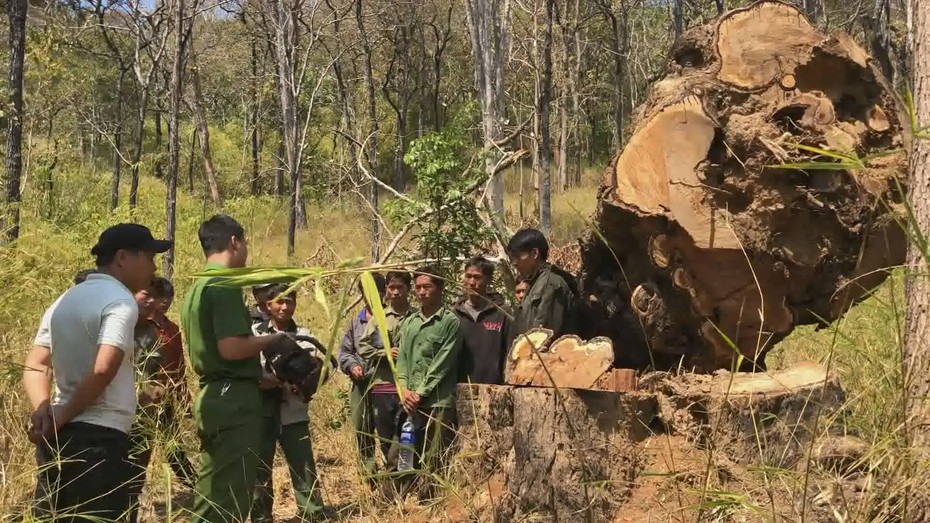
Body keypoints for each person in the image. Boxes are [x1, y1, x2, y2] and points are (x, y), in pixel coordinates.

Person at [23, 223, 169, 522]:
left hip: (57, 438)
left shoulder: (64, 300)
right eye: (149, 256)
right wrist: (62, 412)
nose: (154, 267)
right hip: (99, 440)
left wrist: (43, 410)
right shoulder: (120, 301)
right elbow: (104, 368)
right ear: (122, 258)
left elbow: (36, 364)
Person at [181, 214, 301, 523]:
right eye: (245, 242)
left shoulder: (198, 285)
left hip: (216, 394)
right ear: (235, 241)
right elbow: (231, 347)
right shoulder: (224, 284)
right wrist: (276, 338)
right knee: (231, 494)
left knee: (212, 488)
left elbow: (213, 349)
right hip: (233, 399)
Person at [250, 284, 325, 523]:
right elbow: (248, 369)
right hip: (260, 412)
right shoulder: (254, 333)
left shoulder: (305, 334)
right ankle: (261, 516)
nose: (284, 307)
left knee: (302, 463)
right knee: (259, 467)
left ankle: (312, 513)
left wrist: (290, 381)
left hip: (293, 411)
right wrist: (265, 379)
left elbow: (309, 372)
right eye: (279, 302)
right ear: (267, 305)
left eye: (289, 301)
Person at [396, 266, 463, 484]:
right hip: (409, 400)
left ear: (440, 288)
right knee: (402, 452)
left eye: (427, 287)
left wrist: (420, 393)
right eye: (418, 288)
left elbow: (443, 363)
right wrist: (404, 390)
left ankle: (430, 503)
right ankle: (396, 498)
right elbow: (403, 359)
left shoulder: (450, 322)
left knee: (434, 456)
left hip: (437, 401)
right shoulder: (409, 322)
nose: (422, 292)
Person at [359, 270, 415, 473]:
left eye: (400, 287)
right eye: (392, 287)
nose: (396, 292)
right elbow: (363, 347)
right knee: (385, 435)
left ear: (409, 289)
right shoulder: (380, 318)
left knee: (406, 435)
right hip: (383, 386)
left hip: (409, 387)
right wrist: (386, 352)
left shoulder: (417, 317)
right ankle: (390, 473)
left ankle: (401, 476)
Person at [147, 277, 196, 489]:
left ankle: (193, 483)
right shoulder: (141, 326)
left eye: (169, 297)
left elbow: (179, 365)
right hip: (143, 398)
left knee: (172, 443)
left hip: (165, 396)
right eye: (161, 297)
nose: (165, 301)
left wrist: (184, 399)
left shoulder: (172, 329)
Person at [337, 273, 386, 479]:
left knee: (386, 429)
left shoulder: (391, 318)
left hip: (385, 385)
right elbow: (344, 352)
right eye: (366, 293)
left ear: (383, 293)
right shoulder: (356, 322)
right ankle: (368, 474)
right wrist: (352, 366)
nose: (370, 297)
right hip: (360, 384)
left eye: (374, 292)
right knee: (361, 428)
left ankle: (393, 472)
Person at [507, 228, 577, 343]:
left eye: (518, 256)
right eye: (512, 258)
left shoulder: (551, 283)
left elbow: (544, 337)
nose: (514, 263)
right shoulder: (534, 283)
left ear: (534, 254)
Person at [454, 257, 510, 385]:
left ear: (488, 280)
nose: (472, 282)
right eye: (468, 276)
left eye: (477, 277)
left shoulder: (502, 313)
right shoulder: (455, 314)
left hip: (494, 389)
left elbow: (510, 352)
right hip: (460, 388)